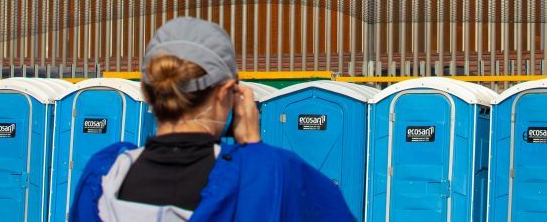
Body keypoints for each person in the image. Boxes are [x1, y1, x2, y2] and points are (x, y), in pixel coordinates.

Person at [70, 16, 354, 221]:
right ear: (227, 93)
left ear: (146, 92)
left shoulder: (104, 175)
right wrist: (254, 150)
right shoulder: (270, 173)